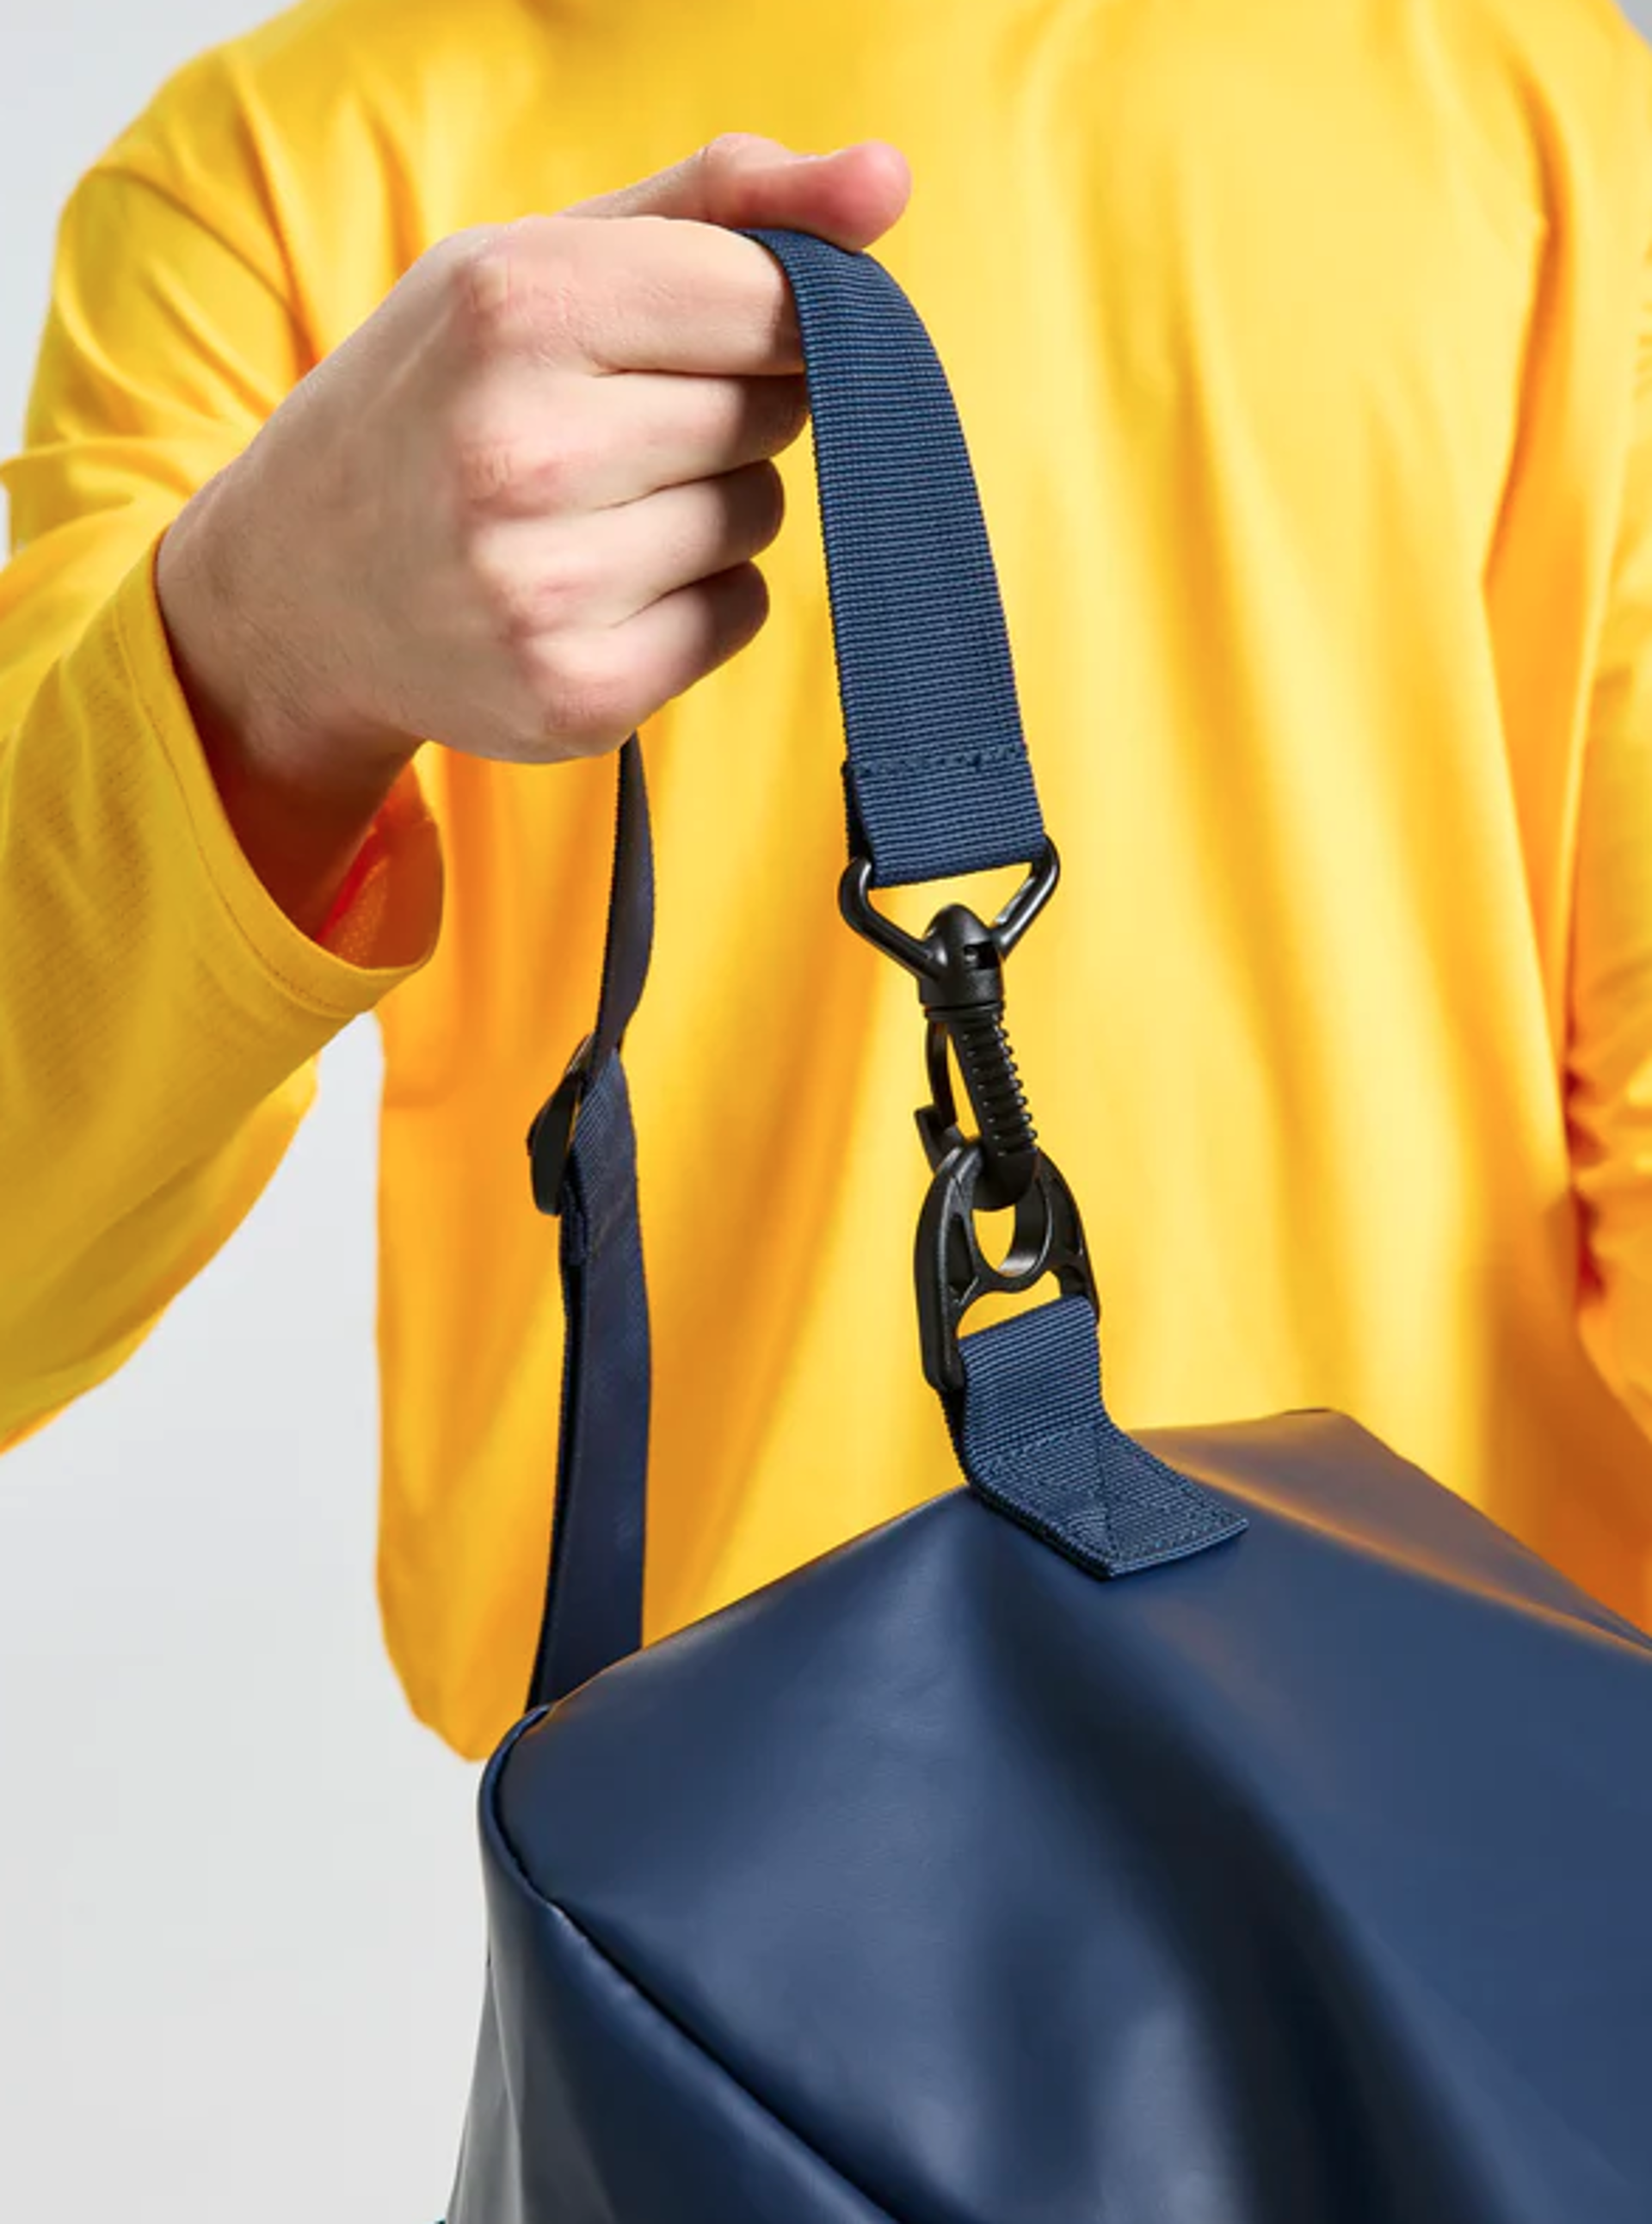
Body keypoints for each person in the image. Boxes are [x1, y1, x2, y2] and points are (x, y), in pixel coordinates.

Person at [4, 0, 1652, 1763]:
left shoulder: (1559, 114)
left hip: (1475, 1801)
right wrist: (257, 633)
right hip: (735, 1852)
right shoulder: (261, 181)